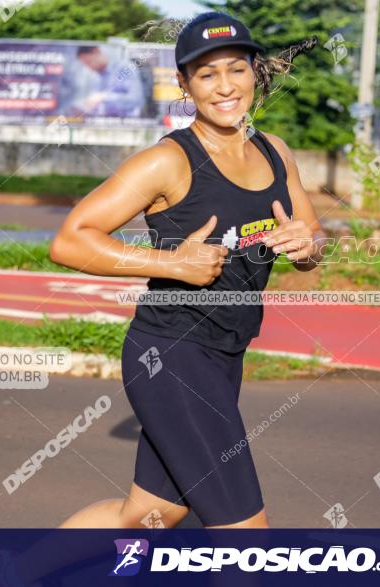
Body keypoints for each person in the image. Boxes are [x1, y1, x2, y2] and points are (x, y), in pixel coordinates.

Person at [48, 12, 325, 531]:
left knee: (151, 514)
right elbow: (69, 240)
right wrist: (169, 262)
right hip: (171, 353)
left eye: (235, 69)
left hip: (226, 354)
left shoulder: (275, 152)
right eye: (206, 74)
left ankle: (12, 574)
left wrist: (307, 245)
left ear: (254, 72)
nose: (225, 86)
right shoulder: (169, 161)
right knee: (246, 537)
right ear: (184, 84)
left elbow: (312, 239)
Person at [74, 45, 145, 118]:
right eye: (85, 65)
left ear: (96, 51)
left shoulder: (125, 68)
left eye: (89, 62)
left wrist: (104, 97)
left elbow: (136, 100)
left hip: (128, 123)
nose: (89, 67)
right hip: (104, 123)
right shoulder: (96, 77)